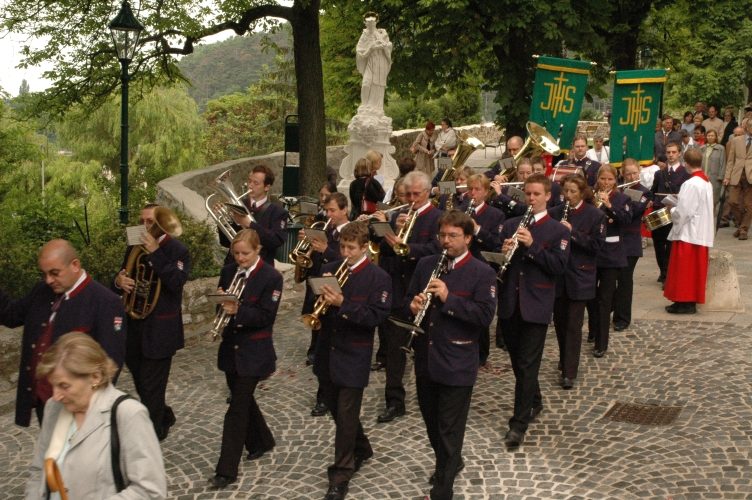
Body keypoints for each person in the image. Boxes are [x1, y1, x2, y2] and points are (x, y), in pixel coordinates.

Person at [407, 210, 496, 500]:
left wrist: (449, 298)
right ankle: (451, 461)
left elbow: (483, 316)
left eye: (453, 236)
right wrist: (414, 305)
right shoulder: (425, 264)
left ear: (468, 238)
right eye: (442, 235)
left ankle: (442, 488)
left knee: (449, 429)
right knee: (432, 422)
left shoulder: (482, 272)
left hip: (458, 360)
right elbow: (409, 297)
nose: (446, 241)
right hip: (426, 358)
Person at [0, 239, 125, 427]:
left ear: (75, 265)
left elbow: (110, 362)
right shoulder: (42, 290)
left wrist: (86, 412)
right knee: (52, 455)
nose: (48, 280)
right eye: (44, 274)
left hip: (78, 408)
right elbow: (10, 316)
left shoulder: (105, 302)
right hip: (46, 403)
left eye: (54, 273)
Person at [25, 332, 166, 499]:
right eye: (53, 385)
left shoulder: (128, 414)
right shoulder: (53, 408)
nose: (56, 395)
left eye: (64, 385)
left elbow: (150, 490)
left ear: (95, 377)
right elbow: (38, 470)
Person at [313, 222, 391, 500]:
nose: (345, 253)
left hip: (354, 354)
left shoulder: (378, 277)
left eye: (351, 248)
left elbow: (375, 317)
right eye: (342, 247)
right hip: (327, 352)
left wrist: (342, 304)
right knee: (336, 410)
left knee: (346, 416)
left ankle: (340, 474)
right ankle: (362, 446)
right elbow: (315, 309)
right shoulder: (329, 269)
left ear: (364, 249)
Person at [497, 173, 570, 448]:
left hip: (536, 305)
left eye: (536, 194)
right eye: (527, 194)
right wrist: (503, 252)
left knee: (528, 365)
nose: (531, 198)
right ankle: (535, 400)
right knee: (518, 362)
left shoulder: (558, 230)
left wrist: (532, 246)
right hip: (509, 303)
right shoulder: (510, 225)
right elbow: (496, 263)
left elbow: (558, 266)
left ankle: (518, 424)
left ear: (548, 196)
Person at [209, 229, 283, 489]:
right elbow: (222, 305)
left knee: (237, 408)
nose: (240, 258)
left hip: (255, 352)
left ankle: (226, 470)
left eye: (245, 254)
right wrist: (220, 301)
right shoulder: (229, 271)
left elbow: (266, 316)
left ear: (258, 250)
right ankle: (262, 440)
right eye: (236, 253)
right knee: (243, 398)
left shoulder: (272, 277)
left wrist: (238, 309)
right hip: (231, 349)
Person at [114, 204, 190, 441]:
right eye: (142, 220)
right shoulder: (134, 246)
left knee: (151, 385)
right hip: (134, 324)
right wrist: (119, 282)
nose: (145, 226)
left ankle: (153, 433)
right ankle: (164, 414)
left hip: (160, 329)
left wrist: (156, 252)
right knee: (141, 381)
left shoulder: (178, 250)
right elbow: (123, 273)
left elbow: (176, 282)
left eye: (150, 221)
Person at [375, 170, 442, 423]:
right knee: (394, 348)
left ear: (427, 193)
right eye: (408, 194)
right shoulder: (397, 216)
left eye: (417, 194)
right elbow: (382, 249)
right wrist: (391, 233)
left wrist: (406, 248)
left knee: (426, 346)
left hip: (422, 289)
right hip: (396, 288)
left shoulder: (437, 218)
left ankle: (432, 394)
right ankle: (394, 400)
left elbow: (436, 249)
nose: (412, 199)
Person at [550, 174, 605, 389]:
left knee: (574, 325)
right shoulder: (555, 213)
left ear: (582, 193)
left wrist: (572, 233)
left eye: (573, 192)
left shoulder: (595, 215)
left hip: (580, 275)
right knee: (560, 323)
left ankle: (569, 372)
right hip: (559, 275)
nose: (569, 196)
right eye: (566, 191)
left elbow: (596, 247)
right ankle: (564, 359)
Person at [302, 193, 350, 417]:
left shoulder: (351, 232)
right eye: (327, 211)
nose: (328, 215)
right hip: (320, 290)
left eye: (332, 211)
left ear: (344, 210)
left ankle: (333, 397)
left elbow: (349, 260)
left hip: (340, 295)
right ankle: (323, 396)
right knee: (321, 348)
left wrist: (326, 251)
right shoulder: (326, 231)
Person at [586, 166, 631, 358]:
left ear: (616, 180)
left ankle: (601, 342)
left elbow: (626, 220)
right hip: (591, 253)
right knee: (589, 296)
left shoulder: (622, 198)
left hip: (611, 255)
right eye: (603, 179)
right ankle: (594, 328)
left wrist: (610, 206)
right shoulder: (589, 196)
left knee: (605, 299)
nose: (606, 183)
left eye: (610, 179)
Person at [664, 149, 714, 313]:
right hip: (700, 231)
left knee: (684, 271)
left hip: (688, 233)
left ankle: (685, 302)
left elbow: (684, 212)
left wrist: (672, 210)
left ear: (686, 163)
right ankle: (684, 301)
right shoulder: (706, 182)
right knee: (693, 272)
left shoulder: (691, 183)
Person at [465, 174, 505, 366]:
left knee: (481, 310)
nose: (472, 193)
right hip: (462, 266)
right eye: (470, 189)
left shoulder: (495, 215)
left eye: (477, 189)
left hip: (483, 267)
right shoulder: (460, 211)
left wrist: (478, 230)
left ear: (486, 192)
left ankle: (482, 354)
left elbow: (497, 243)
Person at [219, 164, 288, 266]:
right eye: (249, 181)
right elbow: (225, 242)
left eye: (256, 183)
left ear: (267, 187)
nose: (250, 186)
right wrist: (223, 220)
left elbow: (276, 241)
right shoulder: (238, 205)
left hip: (261, 269)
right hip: (233, 265)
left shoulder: (278, 212)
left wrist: (250, 224)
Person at [612, 159, 650, 332]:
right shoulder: (616, 189)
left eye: (635, 173)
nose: (632, 176)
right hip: (614, 241)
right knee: (612, 280)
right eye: (628, 174)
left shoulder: (643, 192)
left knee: (625, 280)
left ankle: (623, 317)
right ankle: (611, 309)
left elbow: (633, 212)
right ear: (622, 174)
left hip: (631, 242)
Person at [650, 142, 690, 283]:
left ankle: (668, 274)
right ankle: (663, 271)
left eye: (674, 152)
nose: (671, 155)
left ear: (679, 153)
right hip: (659, 212)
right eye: (668, 152)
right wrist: (651, 200)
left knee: (671, 245)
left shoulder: (686, 174)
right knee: (658, 244)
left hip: (675, 214)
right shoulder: (659, 173)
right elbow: (653, 192)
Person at [356, 13, 392, 114]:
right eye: (368, 23)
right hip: (370, 63)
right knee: (366, 84)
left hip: (381, 63)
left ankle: (376, 109)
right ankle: (364, 106)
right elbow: (360, 52)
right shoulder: (364, 36)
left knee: (378, 85)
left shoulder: (382, 34)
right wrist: (371, 48)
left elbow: (389, 46)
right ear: (365, 23)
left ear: (376, 22)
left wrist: (384, 46)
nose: (371, 24)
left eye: (373, 22)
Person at [723, 120, 752, 240]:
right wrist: (727, 176)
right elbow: (730, 160)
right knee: (732, 201)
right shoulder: (736, 140)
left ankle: (743, 230)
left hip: (750, 176)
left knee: (749, 205)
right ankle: (741, 226)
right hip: (737, 174)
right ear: (746, 127)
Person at [701, 129, 726, 213]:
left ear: (715, 137)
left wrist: (721, 176)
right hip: (703, 176)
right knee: (703, 196)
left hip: (715, 177)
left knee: (714, 198)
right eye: (709, 135)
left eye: (712, 135)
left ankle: (711, 216)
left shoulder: (721, 148)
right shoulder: (702, 148)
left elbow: (723, 163)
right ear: (706, 137)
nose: (710, 137)